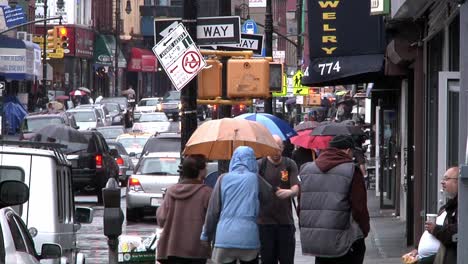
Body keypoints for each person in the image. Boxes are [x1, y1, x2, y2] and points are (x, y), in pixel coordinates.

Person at [298, 135, 369, 264]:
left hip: (318, 241)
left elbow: (301, 206)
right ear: (348, 151)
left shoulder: (306, 170)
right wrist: (364, 230)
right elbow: (359, 208)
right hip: (345, 241)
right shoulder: (352, 170)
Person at [200, 146, 263, 264]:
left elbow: (213, 211)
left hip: (224, 237)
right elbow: (270, 198)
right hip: (249, 237)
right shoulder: (256, 179)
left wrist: (205, 235)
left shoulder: (222, 179)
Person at [156, 155, 212, 264]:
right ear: (200, 171)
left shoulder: (171, 191)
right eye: (205, 167)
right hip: (197, 250)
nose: (206, 170)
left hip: (172, 248)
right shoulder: (207, 193)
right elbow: (211, 220)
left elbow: (161, 219)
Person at [257, 135, 299, 264]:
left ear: (283, 147)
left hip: (285, 222)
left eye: (279, 148)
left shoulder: (289, 164)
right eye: (273, 148)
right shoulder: (260, 164)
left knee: (287, 260)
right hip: (265, 223)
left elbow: (296, 188)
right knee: (268, 260)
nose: (276, 152)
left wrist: (290, 192)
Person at [425, 166, 458, 264]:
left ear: (458, 182)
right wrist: (417, 249)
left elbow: (458, 231)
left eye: (447, 179)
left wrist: (435, 229)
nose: (442, 182)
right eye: (443, 179)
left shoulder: (462, 206)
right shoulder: (448, 206)